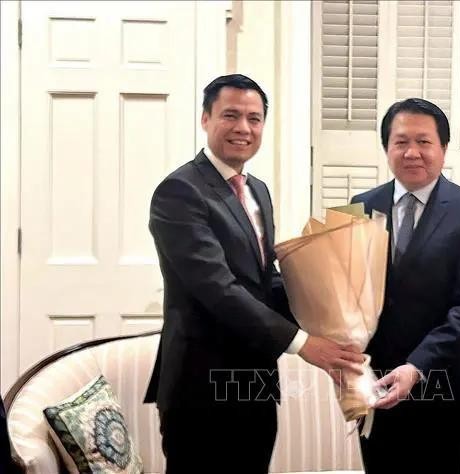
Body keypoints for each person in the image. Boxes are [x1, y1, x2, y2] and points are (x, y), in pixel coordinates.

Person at [144, 73, 363, 473]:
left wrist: (332, 318)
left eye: (254, 118)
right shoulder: (179, 192)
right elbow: (218, 288)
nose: (243, 128)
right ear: (206, 119)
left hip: (256, 382)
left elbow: (265, 281)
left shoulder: (257, 189)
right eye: (231, 115)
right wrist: (302, 342)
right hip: (200, 387)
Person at [351, 98, 460, 473]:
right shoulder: (361, 206)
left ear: (443, 148)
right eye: (400, 142)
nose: (412, 152)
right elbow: (347, 292)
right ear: (386, 148)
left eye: (424, 141)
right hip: (377, 389)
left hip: (439, 391)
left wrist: (416, 366)